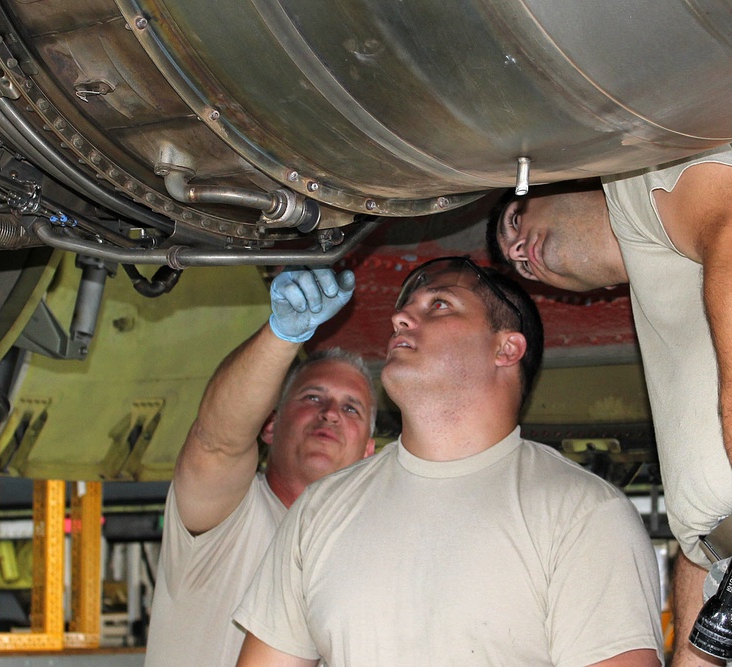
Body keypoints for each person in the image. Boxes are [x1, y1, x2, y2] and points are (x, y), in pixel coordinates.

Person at [490, 136, 732, 666]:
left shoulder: (644, 164)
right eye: (521, 268)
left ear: (565, 180)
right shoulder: (668, 293)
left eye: (512, 221)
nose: (516, 252)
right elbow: (708, 542)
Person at [232, 256, 664, 667]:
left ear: (506, 348)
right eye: (404, 308)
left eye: (439, 304)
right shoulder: (319, 509)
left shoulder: (583, 513)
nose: (399, 318)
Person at [144, 267, 377, 667]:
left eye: (350, 407)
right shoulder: (230, 518)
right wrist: (280, 337)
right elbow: (216, 442)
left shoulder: (364, 560)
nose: (331, 414)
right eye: (312, 397)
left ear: (368, 454)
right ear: (270, 426)